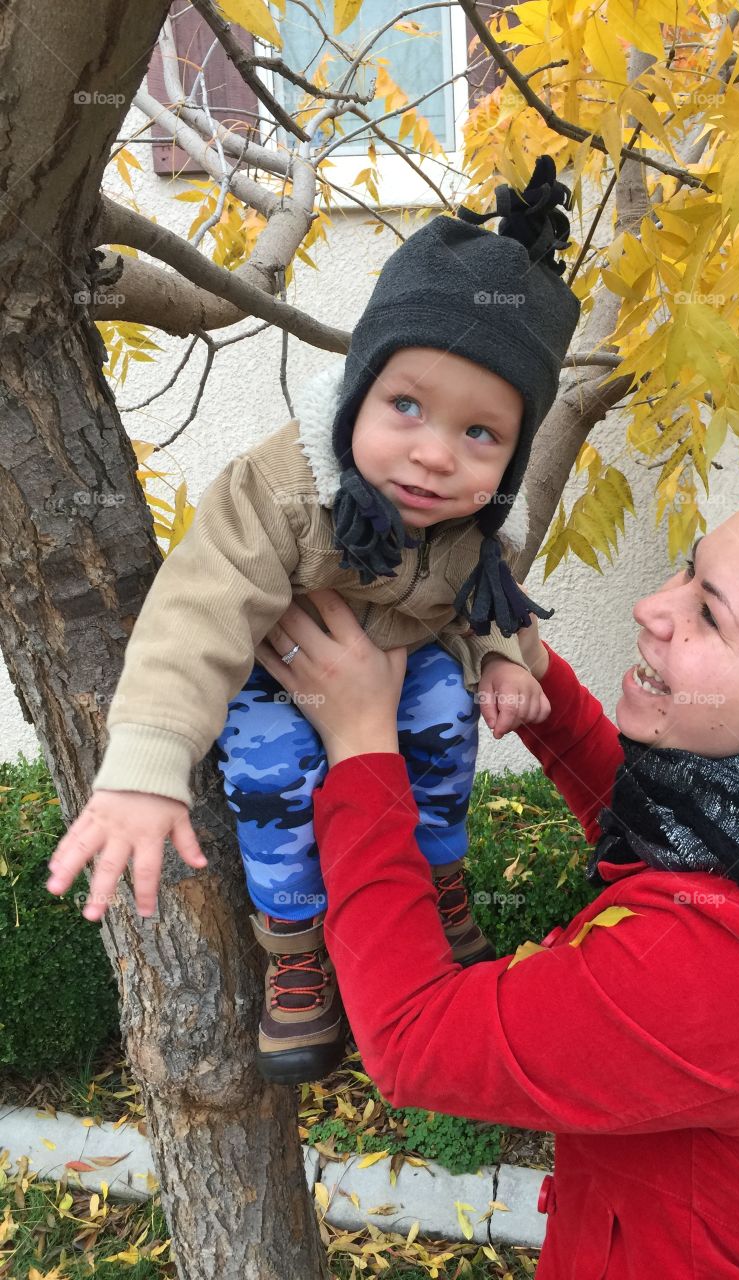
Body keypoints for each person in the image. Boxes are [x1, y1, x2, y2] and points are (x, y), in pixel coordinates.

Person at [251, 472, 739, 1280]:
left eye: (708, 614)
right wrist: (529, 662)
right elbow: (667, 831)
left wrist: (361, 745)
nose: (653, 608)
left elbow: (416, 1041)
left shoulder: (719, 976)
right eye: (688, 570)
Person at [43, 155, 580, 1086]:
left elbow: (485, 601)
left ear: (513, 450)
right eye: (405, 406)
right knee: (268, 770)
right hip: (279, 681)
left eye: (480, 434)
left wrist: (504, 659)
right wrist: (146, 767)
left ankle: (438, 878)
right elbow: (197, 615)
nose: (432, 455)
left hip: (401, 672)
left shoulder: (472, 525)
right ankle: (295, 946)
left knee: (448, 713)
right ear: (357, 393)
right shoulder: (285, 493)